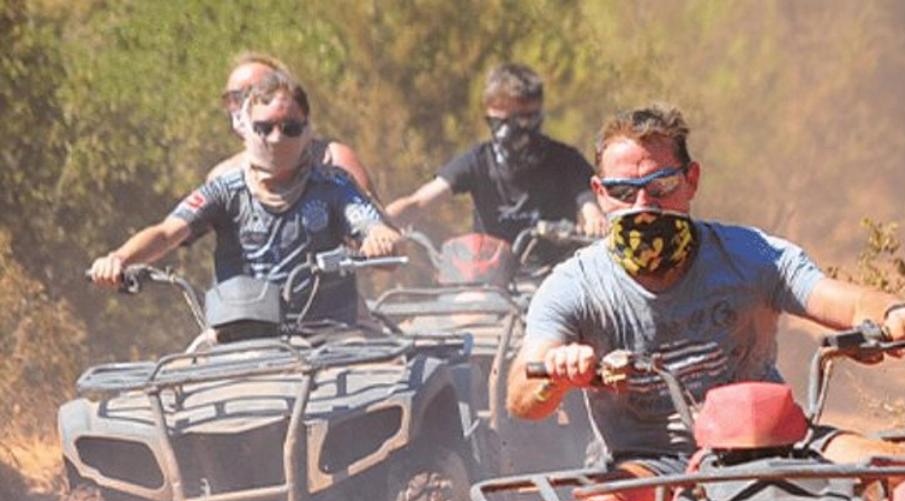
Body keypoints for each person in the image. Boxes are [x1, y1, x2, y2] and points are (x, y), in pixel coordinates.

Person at [506, 104, 905, 474]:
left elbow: (842, 299)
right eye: (624, 191)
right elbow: (520, 398)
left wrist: (895, 314)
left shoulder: (751, 255)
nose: (643, 207)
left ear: (691, 181)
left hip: (776, 441)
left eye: (661, 187)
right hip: (649, 465)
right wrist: (559, 372)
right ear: (600, 194)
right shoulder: (574, 285)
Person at [90, 71, 403, 325]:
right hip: (238, 338)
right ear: (246, 129)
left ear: (308, 129)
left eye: (290, 128)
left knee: (393, 386)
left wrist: (381, 239)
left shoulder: (333, 185)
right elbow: (166, 232)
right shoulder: (225, 190)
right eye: (265, 128)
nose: (277, 138)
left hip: (333, 334)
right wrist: (119, 259)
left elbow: (373, 225)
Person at [385, 62, 607, 242]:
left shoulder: (565, 160)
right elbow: (418, 203)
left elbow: (591, 206)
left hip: (553, 281)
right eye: (496, 123)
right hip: (491, 282)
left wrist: (595, 220)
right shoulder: (477, 161)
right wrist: (377, 226)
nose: (503, 133)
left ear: (535, 116)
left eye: (515, 122)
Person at [208, 52, 378, 199]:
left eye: (259, 91)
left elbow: (373, 226)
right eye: (235, 97)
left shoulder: (333, 160)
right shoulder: (223, 178)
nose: (246, 102)